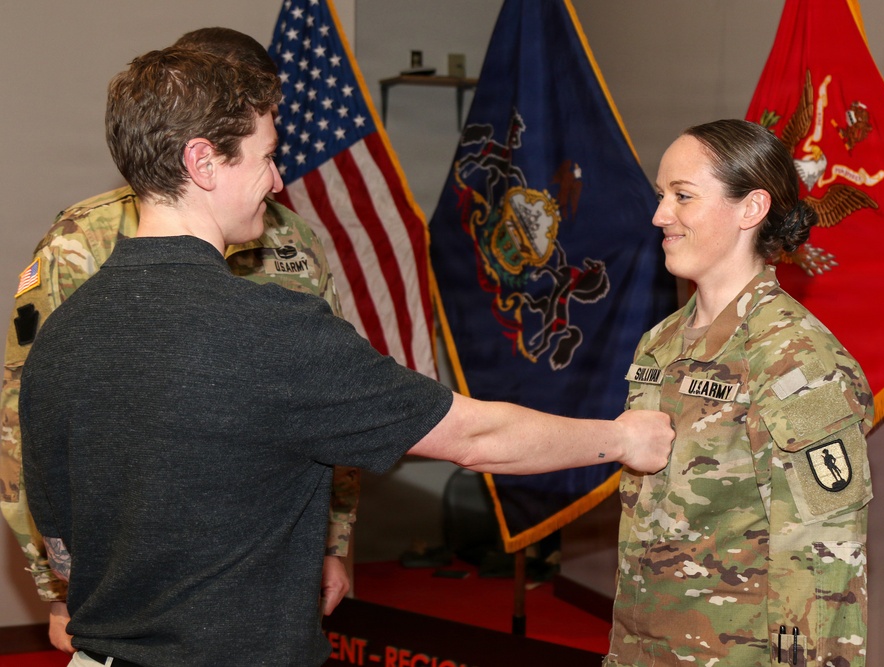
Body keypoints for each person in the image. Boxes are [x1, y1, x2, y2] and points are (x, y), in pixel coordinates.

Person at [19, 47, 674, 667]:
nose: (277, 181)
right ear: (203, 162)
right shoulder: (271, 329)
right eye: (267, 157)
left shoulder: (63, 332)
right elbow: (477, 436)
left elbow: (65, 550)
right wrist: (622, 436)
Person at [0, 28, 362, 655]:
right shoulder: (82, 243)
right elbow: (26, 420)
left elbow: (332, 407)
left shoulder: (291, 241)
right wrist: (56, 587)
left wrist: (333, 545)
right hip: (136, 595)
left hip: (257, 595)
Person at [604, 119, 873, 667]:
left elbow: (825, 556)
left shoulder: (794, 356)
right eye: (662, 196)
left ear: (751, 209)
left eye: (682, 196)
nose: (660, 215)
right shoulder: (659, 345)